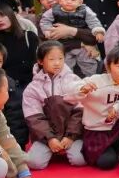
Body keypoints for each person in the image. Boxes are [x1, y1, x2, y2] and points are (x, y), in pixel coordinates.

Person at [66, 43, 119, 170]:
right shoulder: (97, 80)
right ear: (108, 67)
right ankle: (112, 152)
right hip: (97, 131)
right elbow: (68, 96)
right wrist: (82, 90)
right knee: (106, 162)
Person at [22, 41, 85, 170]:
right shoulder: (32, 88)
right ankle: (51, 148)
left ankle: (68, 145)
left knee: (80, 160)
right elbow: (34, 118)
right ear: (40, 61)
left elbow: (81, 110)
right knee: (34, 163)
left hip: (71, 135)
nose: (57, 63)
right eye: (51, 59)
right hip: (46, 137)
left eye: (60, 58)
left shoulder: (74, 80)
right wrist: (50, 139)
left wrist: (70, 136)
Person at [38, 0, 105, 77]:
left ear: (80, 2)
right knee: (65, 66)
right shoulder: (51, 13)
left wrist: (98, 31)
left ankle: (91, 78)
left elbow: (93, 26)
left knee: (88, 62)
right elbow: (49, 39)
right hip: (64, 50)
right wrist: (47, 30)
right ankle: (66, 79)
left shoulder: (85, 10)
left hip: (84, 51)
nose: (69, 2)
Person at [0, 4, 40, 91]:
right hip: (0, 88)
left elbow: (35, 64)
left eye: (2, 15)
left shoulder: (29, 36)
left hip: (30, 87)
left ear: (11, 15)